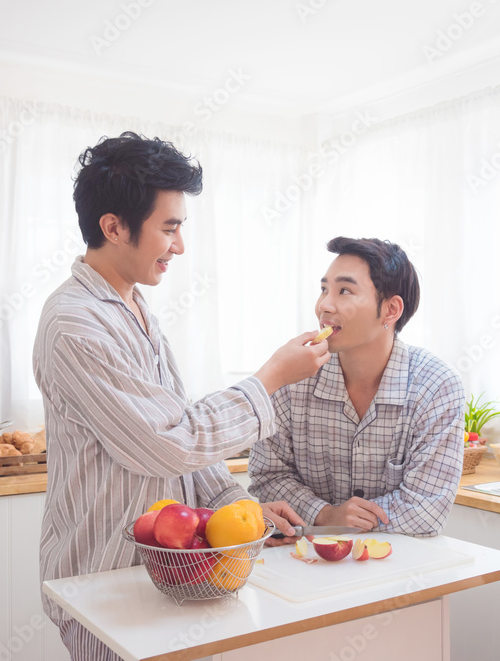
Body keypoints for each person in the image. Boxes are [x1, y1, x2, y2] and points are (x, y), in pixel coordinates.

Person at [32, 132, 330, 661]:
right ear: (114, 227)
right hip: (105, 582)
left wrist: (241, 509)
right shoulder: (75, 324)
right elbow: (168, 442)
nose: (180, 246)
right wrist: (270, 379)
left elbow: (183, 433)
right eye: (169, 228)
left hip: (163, 578)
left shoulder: (136, 308)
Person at [248, 237, 465, 536]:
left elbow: (426, 510)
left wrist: (351, 521)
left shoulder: (436, 386)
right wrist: (325, 515)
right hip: (307, 563)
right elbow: (268, 478)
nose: (324, 305)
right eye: (323, 289)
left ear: (390, 310)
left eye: (345, 291)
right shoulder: (293, 376)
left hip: (403, 568)